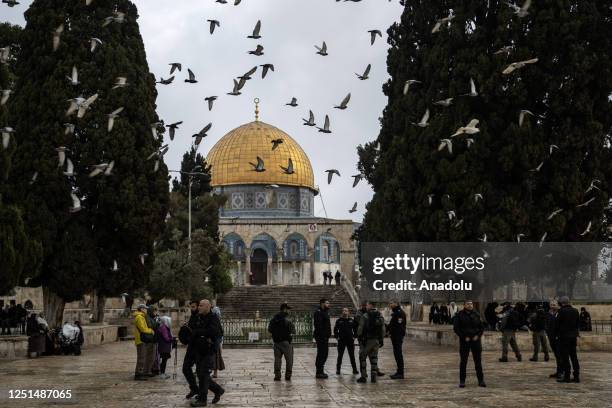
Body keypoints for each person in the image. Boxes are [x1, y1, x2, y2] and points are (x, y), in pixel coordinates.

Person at [190, 299, 224, 407]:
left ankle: (202, 399)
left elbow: (214, 332)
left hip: (208, 350)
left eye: (201, 305)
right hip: (199, 350)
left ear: (207, 307)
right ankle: (218, 390)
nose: (198, 307)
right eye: (199, 305)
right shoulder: (199, 317)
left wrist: (199, 332)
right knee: (201, 375)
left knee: (204, 374)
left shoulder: (213, 318)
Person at [453, 300, 486, 388]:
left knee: (478, 361)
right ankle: (462, 381)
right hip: (465, 341)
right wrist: (464, 337)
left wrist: (478, 336)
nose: (470, 305)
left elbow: (481, 327)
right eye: (468, 304)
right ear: (464, 305)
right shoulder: (459, 315)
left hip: (476, 341)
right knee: (463, 362)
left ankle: (481, 380)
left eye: (471, 304)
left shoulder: (476, 314)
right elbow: (456, 328)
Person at [356, 301, 385, 383]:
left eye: (367, 305)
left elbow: (360, 329)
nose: (366, 306)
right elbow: (383, 329)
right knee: (374, 358)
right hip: (376, 340)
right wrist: (380, 339)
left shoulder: (365, 315)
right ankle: (373, 377)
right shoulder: (380, 315)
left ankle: (363, 376)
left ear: (371, 305)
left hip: (367, 340)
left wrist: (360, 337)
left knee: (362, 357)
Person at [555, 296, 580, 383]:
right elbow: (577, 323)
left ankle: (567, 376)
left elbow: (557, 323)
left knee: (565, 357)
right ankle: (576, 376)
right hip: (573, 337)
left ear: (561, 303)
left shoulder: (561, 311)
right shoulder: (576, 311)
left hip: (564, 337)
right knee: (574, 357)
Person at [268, 303, 295, 381]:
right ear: (285, 309)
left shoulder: (273, 319)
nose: (290, 311)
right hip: (286, 342)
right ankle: (288, 375)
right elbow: (293, 331)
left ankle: (277, 375)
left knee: (277, 359)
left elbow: (270, 331)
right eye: (289, 309)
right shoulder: (288, 320)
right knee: (289, 359)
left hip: (276, 342)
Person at [182, 300, 200, 399]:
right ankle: (194, 388)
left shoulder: (200, 317)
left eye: (193, 307)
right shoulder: (193, 316)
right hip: (191, 347)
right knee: (185, 368)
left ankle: (216, 390)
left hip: (198, 348)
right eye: (191, 307)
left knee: (201, 372)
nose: (192, 309)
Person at [133, 304, 155, 381]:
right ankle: (138, 374)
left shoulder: (141, 316)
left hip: (142, 339)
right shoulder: (139, 317)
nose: (146, 310)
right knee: (141, 357)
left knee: (142, 357)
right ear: (141, 309)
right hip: (140, 340)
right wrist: (151, 331)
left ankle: (140, 373)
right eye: (145, 308)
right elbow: (143, 329)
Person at [334, 307, 358, 375]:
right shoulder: (339, 320)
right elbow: (335, 329)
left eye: (346, 311)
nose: (345, 312)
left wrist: (354, 337)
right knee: (340, 355)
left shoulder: (351, 320)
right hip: (341, 340)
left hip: (350, 340)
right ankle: (338, 370)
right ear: (342, 312)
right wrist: (337, 337)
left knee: (352, 355)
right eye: (344, 311)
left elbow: (355, 329)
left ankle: (355, 369)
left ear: (348, 312)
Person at [387, 301, 407, 379]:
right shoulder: (396, 312)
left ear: (396, 304)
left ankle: (400, 373)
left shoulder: (399, 313)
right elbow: (392, 325)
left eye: (391, 303)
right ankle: (399, 371)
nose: (390, 304)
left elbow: (399, 326)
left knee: (398, 354)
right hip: (395, 336)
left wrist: (392, 333)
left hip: (397, 337)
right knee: (397, 354)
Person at [313, 298, 331, 378]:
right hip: (321, 337)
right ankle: (319, 372)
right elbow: (318, 326)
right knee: (321, 353)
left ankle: (321, 370)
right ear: (322, 304)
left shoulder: (325, 312)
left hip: (325, 337)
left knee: (325, 353)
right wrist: (323, 336)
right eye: (327, 303)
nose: (328, 305)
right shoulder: (318, 312)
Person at [545, 301, 563, 379]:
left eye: (554, 305)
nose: (552, 306)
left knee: (560, 355)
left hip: (558, 338)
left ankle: (561, 372)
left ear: (558, 306)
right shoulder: (548, 314)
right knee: (557, 355)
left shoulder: (560, 313)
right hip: (551, 337)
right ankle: (559, 371)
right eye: (551, 305)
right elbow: (546, 324)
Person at [211, 302, 224, 378]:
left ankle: (214, 372)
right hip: (217, 340)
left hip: (215, 341)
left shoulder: (214, 318)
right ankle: (214, 372)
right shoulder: (215, 318)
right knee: (216, 357)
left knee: (215, 356)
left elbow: (220, 331)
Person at [147, 305, 161, 376]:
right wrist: (157, 323)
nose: (155, 313)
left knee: (154, 356)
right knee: (150, 356)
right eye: (154, 311)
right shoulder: (148, 317)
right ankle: (148, 370)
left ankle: (151, 370)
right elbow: (150, 325)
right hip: (150, 339)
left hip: (154, 339)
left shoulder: (153, 318)